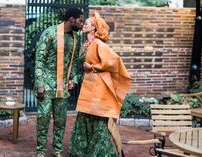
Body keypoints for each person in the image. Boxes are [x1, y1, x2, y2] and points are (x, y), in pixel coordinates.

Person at [68, 12, 131, 157]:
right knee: (85, 118)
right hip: (88, 87)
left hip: (97, 89)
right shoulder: (87, 44)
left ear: (94, 29)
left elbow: (114, 61)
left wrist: (93, 67)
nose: (83, 25)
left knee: (96, 120)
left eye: (87, 24)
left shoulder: (98, 44)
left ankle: (99, 153)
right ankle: (83, 152)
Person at [34, 8, 84, 157]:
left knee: (61, 121)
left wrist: (73, 80)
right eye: (80, 20)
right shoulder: (50, 33)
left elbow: (74, 62)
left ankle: (57, 150)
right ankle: (41, 151)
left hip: (63, 87)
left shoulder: (76, 38)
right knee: (43, 119)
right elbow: (39, 60)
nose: (82, 24)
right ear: (72, 19)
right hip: (47, 86)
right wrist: (40, 83)